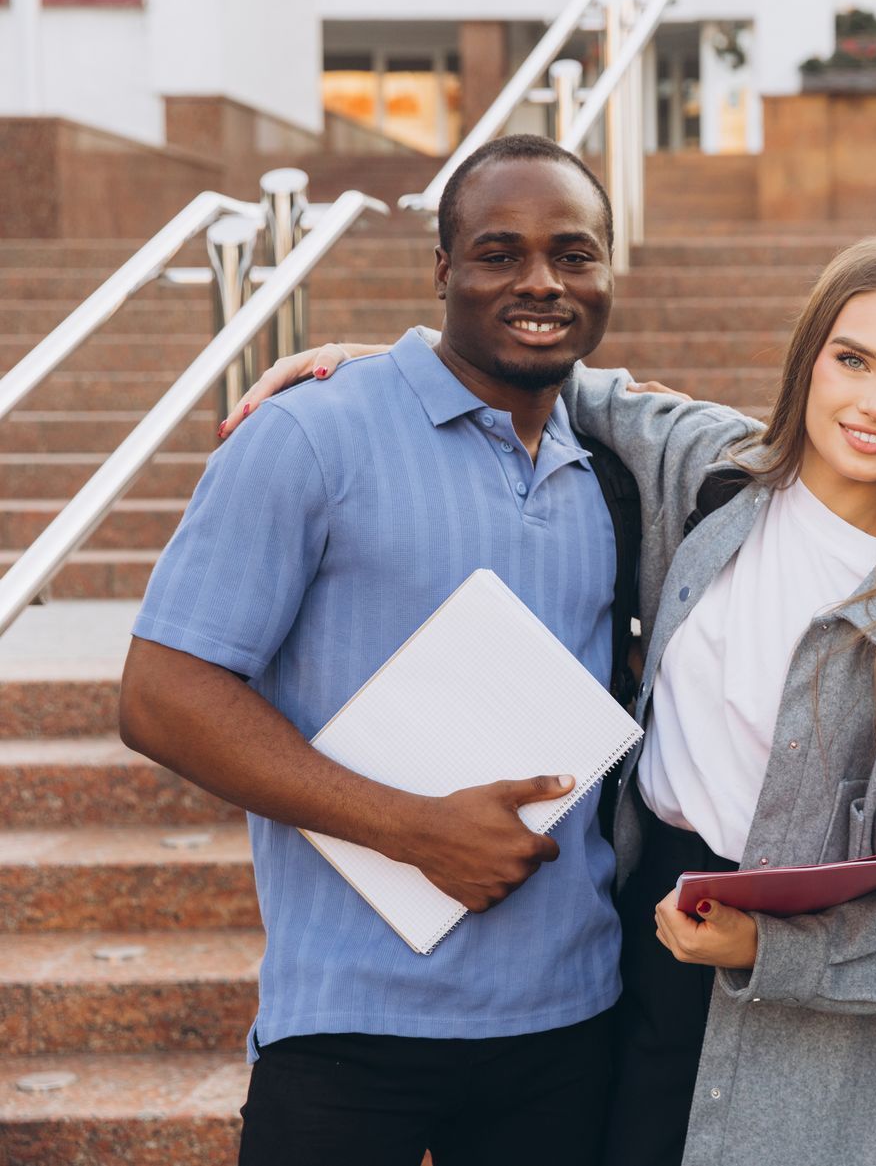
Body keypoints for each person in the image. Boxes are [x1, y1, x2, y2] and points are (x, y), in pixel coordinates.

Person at [227, 235, 876, 1166]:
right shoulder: (710, 472)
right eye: (853, 360)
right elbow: (562, 375)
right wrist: (386, 362)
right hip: (644, 951)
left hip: (829, 1043)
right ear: (809, 359)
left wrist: (769, 949)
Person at [119, 134, 742, 1165]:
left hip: (569, 1025)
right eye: (499, 253)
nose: (541, 281)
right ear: (442, 271)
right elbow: (162, 694)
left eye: (574, 254)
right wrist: (411, 829)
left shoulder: (609, 471)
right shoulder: (311, 435)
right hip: (351, 1029)